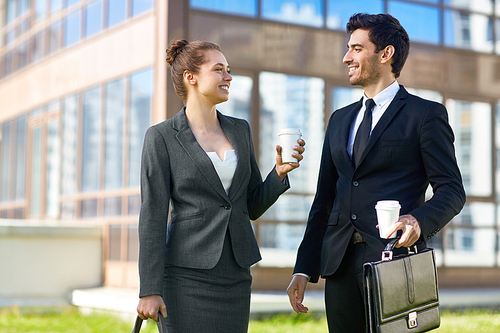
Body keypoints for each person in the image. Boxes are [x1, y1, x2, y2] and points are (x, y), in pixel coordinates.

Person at [286, 13, 465, 332]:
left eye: (356, 48)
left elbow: (452, 191)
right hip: (339, 266)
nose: (346, 57)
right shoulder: (339, 120)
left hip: (395, 263)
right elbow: (325, 200)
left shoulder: (425, 115)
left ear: (386, 54)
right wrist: (304, 267)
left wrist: (418, 220)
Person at [136, 39, 305, 332]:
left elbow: (250, 205)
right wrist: (149, 288)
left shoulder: (240, 129)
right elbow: (152, 215)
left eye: (228, 70)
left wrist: (278, 175)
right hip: (184, 278)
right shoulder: (161, 137)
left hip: (235, 275)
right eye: (219, 70)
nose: (228, 77)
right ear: (191, 77)